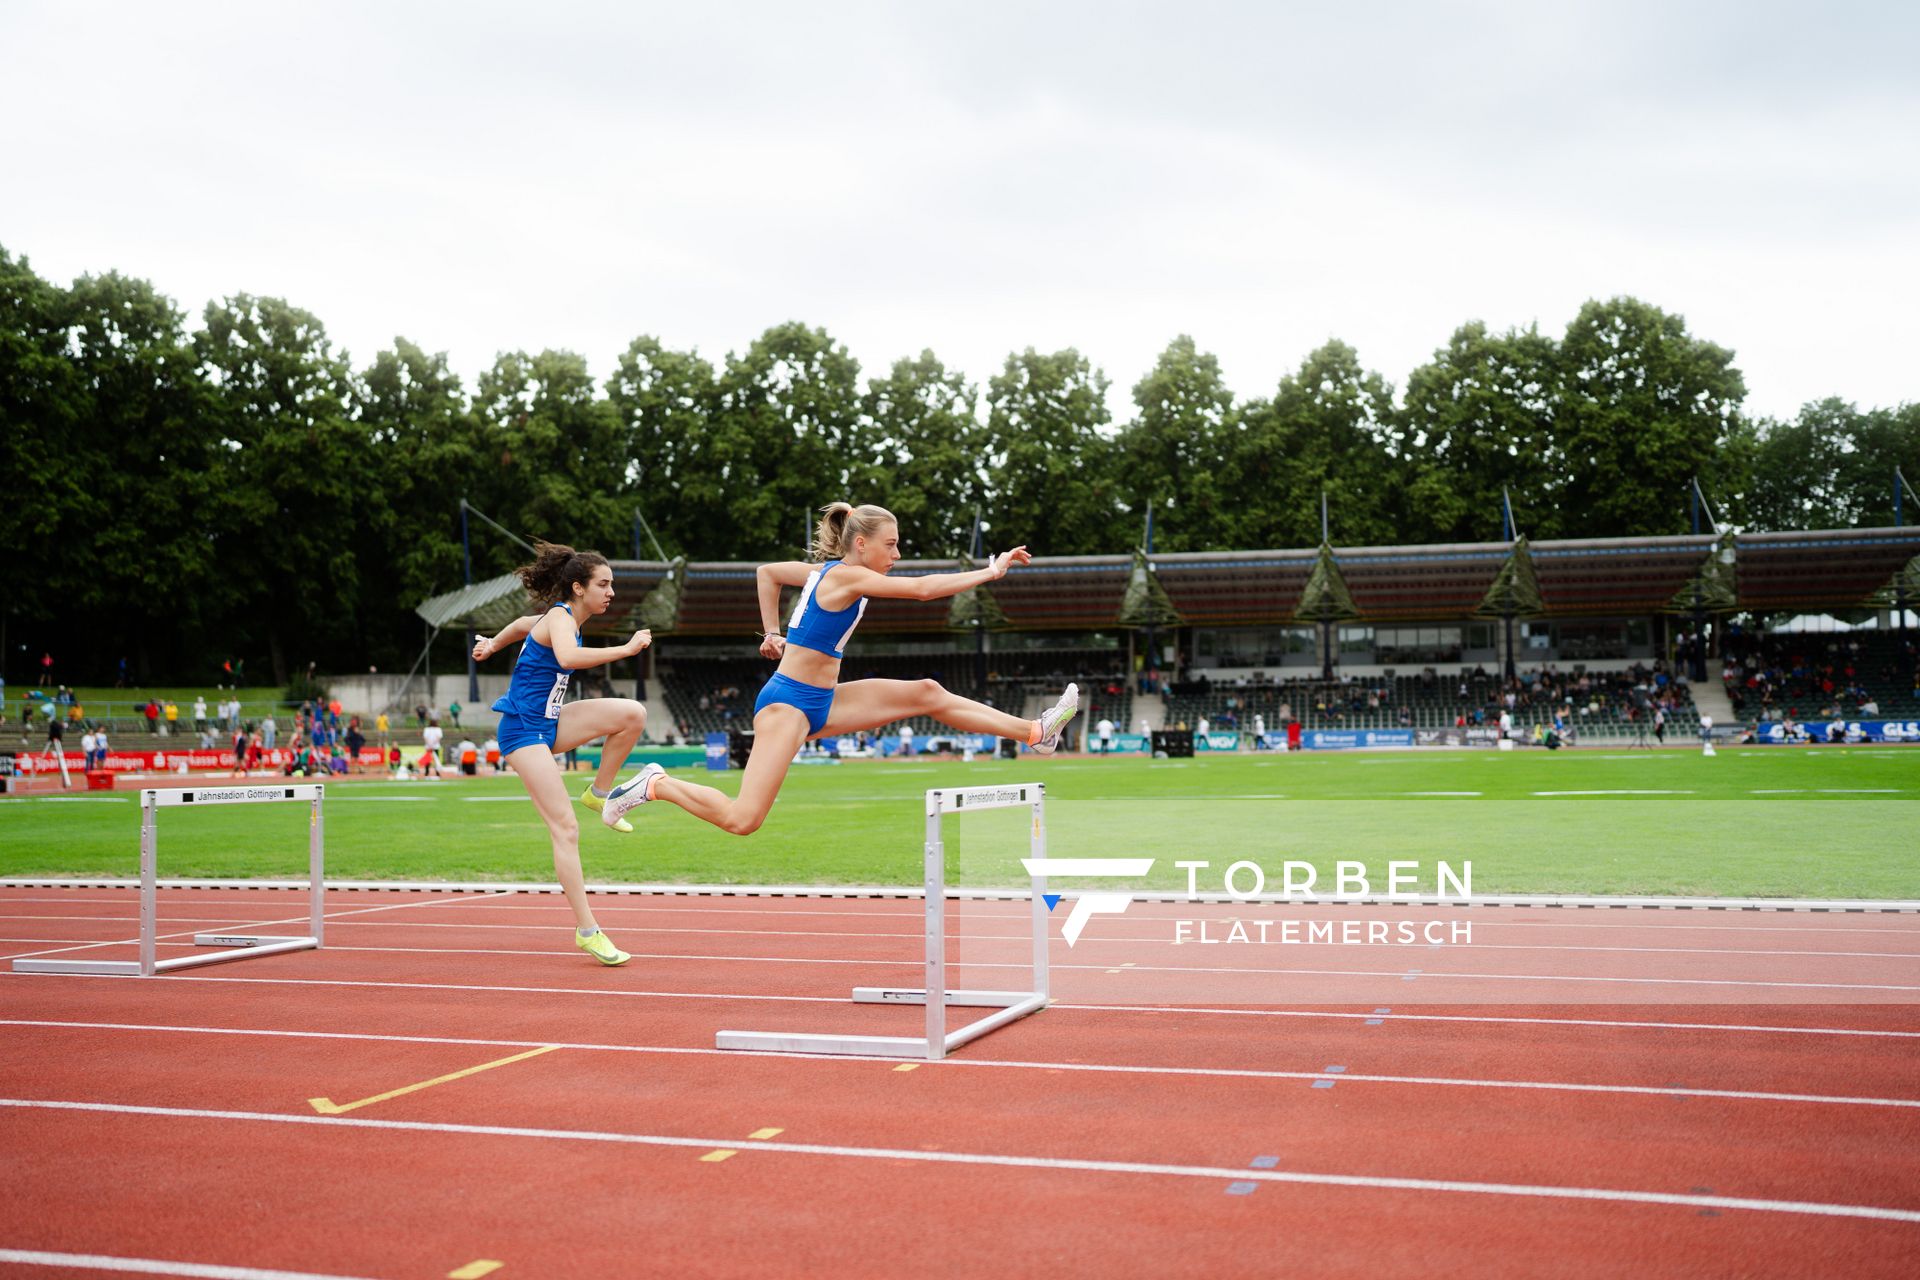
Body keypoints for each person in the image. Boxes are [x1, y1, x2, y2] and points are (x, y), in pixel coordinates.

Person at [599, 503, 1076, 838]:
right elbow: (925, 590)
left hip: (824, 698)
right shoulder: (846, 576)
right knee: (743, 819)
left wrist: (770, 632)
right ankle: (655, 784)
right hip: (787, 703)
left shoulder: (821, 574)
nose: (897, 556)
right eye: (891, 546)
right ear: (862, 544)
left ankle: (1036, 732)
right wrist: (989, 573)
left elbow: (766, 572)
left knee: (927, 691)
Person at [470, 541, 654, 966]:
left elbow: (520, 624)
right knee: (565, 829)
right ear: (578, 587)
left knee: (632, 714)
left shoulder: (563, 618)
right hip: (522, 730)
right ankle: (588, 930)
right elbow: (569, 656)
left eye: (612, 585)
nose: (611, 592)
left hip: (549, 723)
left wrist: (492, 645)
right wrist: (626, 650)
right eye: (603, 585)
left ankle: (599, 793)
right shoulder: (560, 617)